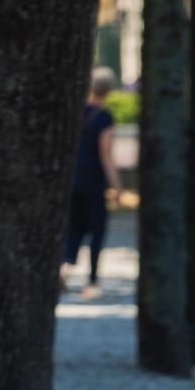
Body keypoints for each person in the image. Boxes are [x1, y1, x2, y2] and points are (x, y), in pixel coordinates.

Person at [62, 68, 123, 298]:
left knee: (74, 228)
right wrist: (116, 186)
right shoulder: (104, 118)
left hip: (73, 178)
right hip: (94, 181)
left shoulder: (77, 113)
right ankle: (93, 280)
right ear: (109, 90)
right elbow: (106, 155)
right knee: (97, 230)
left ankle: (64, 269)